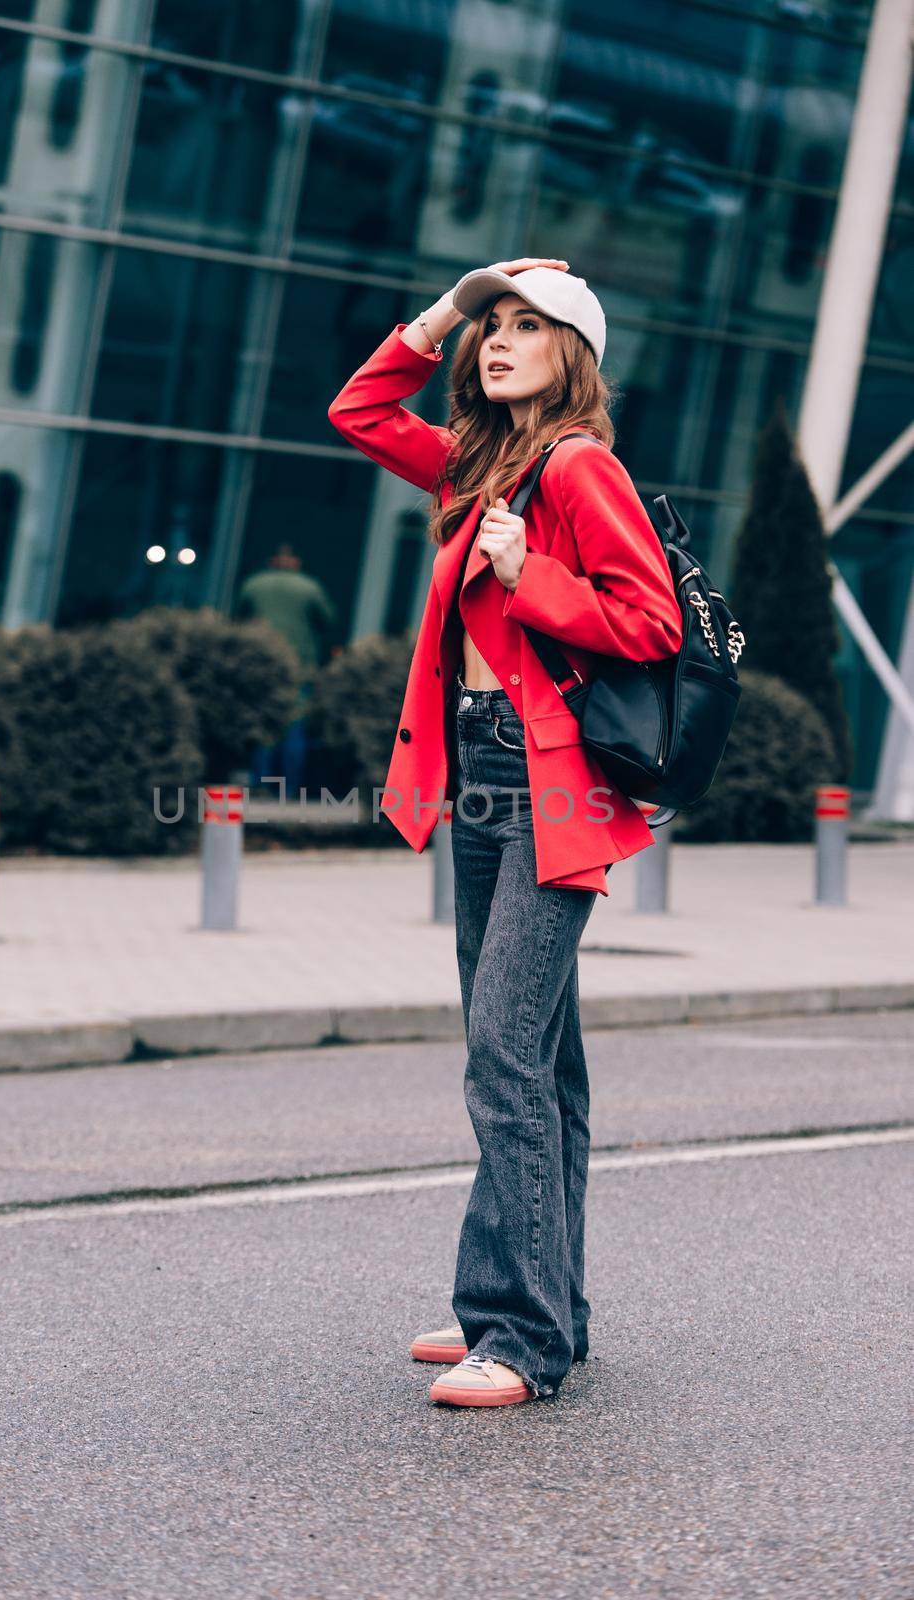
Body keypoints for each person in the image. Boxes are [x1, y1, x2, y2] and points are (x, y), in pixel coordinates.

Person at [327, 258, 683, 1409]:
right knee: (537, 1054)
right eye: (494, 326)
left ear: (570, 352)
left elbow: (649, 620)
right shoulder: (483, 464)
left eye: (526, 326)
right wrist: (449, 302)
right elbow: (361, 411)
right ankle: (528, 1304)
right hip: (485, 764)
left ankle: (522, 1338)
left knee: (503, 1049)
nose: (499, 340)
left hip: (552, 781)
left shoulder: (580, 466)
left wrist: (530, 577)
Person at [233, 542, 337, 797]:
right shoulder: (309, 588)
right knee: (295, 726)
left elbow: (238, 618)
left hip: (262, 663)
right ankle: (289, 787)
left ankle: (259, 783)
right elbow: (328, 620)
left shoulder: (254, 584)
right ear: (295, 562)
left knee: (263, 723)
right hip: (299, 665)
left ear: (273, 560)